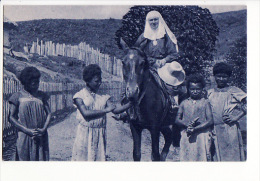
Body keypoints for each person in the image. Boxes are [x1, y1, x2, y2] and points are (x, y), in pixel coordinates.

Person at [114, 10, 181, 121]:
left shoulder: (165, 36)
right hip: (147, 65)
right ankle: (126, 109)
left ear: (159, 20)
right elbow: (137, 53)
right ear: (147, 21)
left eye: (155, 19)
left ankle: (173, 103)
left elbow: (174, 53)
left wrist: (164, 60)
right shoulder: (143, 37)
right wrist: (150, 61)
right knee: (134, 82)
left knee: (170, 82)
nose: (153, 22)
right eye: (151, 20)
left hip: (164, 65)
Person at [71, 64, 133, 161]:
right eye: (96, 81)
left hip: (99, 134)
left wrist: (131, 103)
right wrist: (106, 110)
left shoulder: (103, 97)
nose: (99, 83)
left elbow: (115, 110)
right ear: (87, 80)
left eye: (100, 80)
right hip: (84, 134)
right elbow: (86, 114)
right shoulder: (79, 96)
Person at [8, 67, 51, 161]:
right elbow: (11, 117)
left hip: (41, 135)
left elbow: (49, 114)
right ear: (26, 82)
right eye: (33, 83)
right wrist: (27, 130)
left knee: (41, 160)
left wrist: (43, 129)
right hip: (24, 135)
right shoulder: (17, 96)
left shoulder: (42, 96)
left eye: (37, 82)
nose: (36, 85)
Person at [208, 62, 247, 161]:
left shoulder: (233, 90)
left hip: (230, 129)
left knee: (231, 156)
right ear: (214, 76)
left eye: (224, 77)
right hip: (214, 129)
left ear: (229, 77)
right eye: (219, 76)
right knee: (216, 156)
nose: (221, 79)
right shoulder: (210, 92)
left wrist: (236, 117)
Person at [175, 74, 214, 161]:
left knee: (202, 157)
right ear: (188, 89)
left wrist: (195, 129)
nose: (195, 91)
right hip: (186, 134)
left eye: (198, 89)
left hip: (202, 135)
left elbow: (210, 121)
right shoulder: (184, 103)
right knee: (187, 156)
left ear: (202, 89)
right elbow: (177, 119)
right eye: (192, 89)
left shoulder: (205, 102)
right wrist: (187, 125)